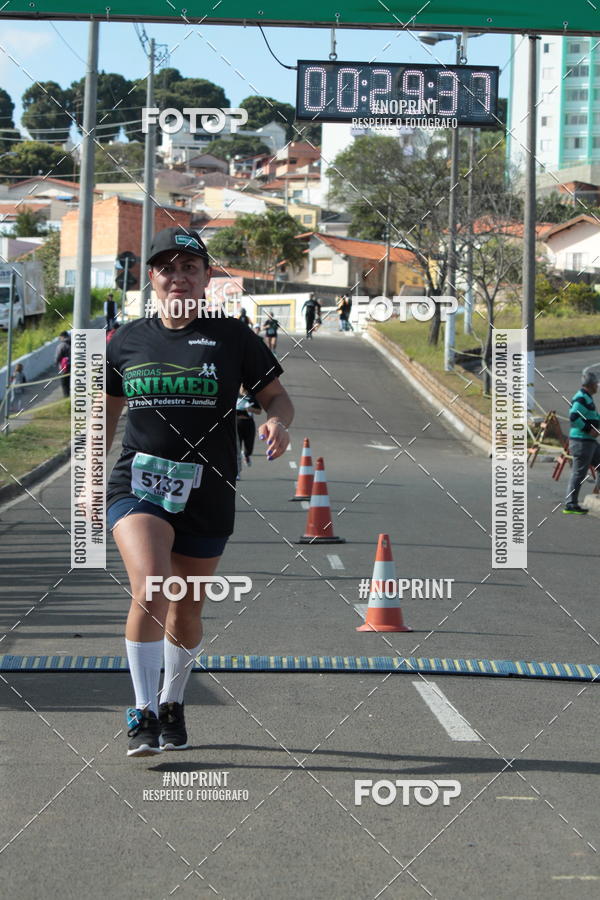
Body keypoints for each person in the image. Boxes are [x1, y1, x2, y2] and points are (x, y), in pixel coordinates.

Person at [104, 226, 294, 757]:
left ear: (207, 276)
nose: (179, 276)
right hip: (137, 485)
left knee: (186, 606)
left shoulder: (233, 337)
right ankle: (141, 712)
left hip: (209, 490)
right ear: (153, 278)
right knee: (155, 584)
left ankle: (172, 703)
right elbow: (106, 414)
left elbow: (277, 398)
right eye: (168, 267)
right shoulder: (127, 341)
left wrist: (277, 423)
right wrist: (86, 477)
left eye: (191, 267)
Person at [564, 369, 600, 514]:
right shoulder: (581, 397)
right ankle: (570, 503)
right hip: (582, 441)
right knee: (579, 473)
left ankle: (597, 489)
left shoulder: (587, 398)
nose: (597, 386)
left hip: (589, 442)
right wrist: (588, 429)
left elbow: (593, 417)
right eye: (596, 384)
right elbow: (573, 416)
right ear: (590, 385)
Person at [236, 389, 261, 471]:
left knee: (249, 445)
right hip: (236, 423)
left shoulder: (252, 396)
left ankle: (246, 455)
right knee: (236, 449)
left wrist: (250, 409)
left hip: (248, 422)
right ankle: (237, 472)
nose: (243, 387)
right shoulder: (234, 394)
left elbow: (259, 411)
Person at [55, 330, 71, 397]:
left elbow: (58, 357)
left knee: (65, 383)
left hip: (65, 367)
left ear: (62, 337)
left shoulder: (61, 345)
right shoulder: (74, 343)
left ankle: (66, 397)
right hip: (75, 366)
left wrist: (56, 363)